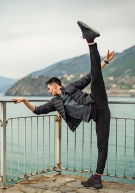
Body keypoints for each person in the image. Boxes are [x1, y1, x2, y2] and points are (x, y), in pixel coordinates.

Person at [12, 21, 115, 189]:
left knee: (95, 75)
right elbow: (38, 110)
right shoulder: (55, 103)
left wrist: (105, 61)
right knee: (102, 145)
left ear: (54, 85)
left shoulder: (72, 86)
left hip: (97, 100)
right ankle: (96, 178)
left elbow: (91, 77)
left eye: (48, 89)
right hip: (99, 116)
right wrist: (24, 101)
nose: (48, 92)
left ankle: (90, 40)